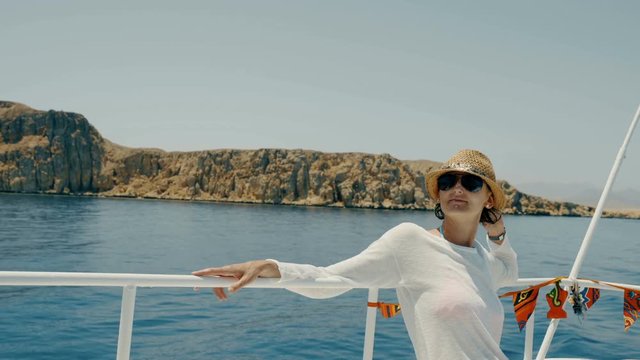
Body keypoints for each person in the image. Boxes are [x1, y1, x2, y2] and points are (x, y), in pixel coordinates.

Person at [193, 149, 518, 360]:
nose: (457, 188)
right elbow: (332, 278)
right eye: (448, 181)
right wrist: (270, 267)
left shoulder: (482, 259)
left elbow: (508, 269)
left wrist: (496, 234)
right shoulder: (410, 242)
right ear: (439, 194)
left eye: (471, 183)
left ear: (489, 199)